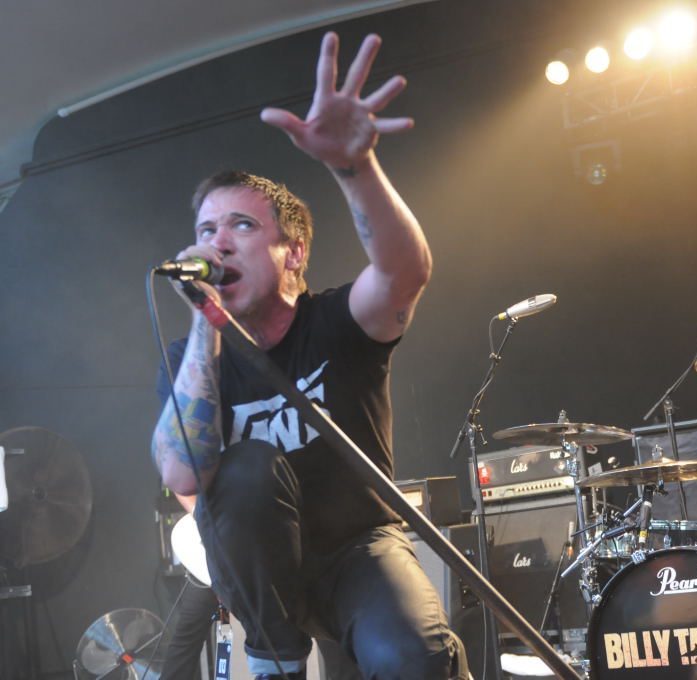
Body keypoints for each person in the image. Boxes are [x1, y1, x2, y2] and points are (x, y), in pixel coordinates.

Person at [151, 31, 467, 680]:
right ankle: (276, 660)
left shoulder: (333, 322)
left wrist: (355, 167)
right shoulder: (193, 355)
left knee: (413, 657)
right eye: (206, 230)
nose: (217, 244)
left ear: (292, 251)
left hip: (358, 548)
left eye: (241, 226)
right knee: (243, 467)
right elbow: (182, 477)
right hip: (264, 576)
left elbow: (405, 273)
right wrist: (206, 325)